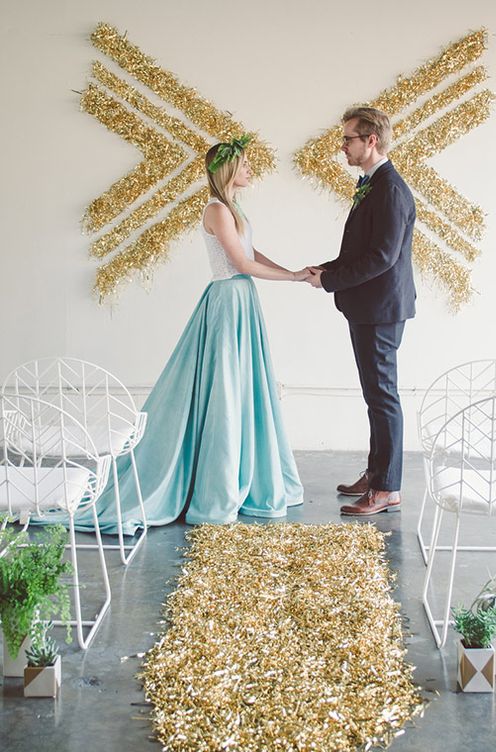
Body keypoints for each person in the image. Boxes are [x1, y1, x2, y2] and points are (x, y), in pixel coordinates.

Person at [77, 135, 306, 532]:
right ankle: (216, 484)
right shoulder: (217, 209)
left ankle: (238, 473)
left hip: (241, 301)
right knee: (224, 389)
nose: (252, 170)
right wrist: (291, 277)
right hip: (228, 301)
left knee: (240, 386)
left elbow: (251, 253)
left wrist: (296, 271)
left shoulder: (233, 208)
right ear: (229, 169)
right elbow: (240, 263)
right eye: (246, 164)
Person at [306, 107, 416, 516]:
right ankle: (377, 473)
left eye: (348, 139)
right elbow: (361, 251)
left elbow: (383, 258)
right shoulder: (373, 183)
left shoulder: (388, 189)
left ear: (371, 140)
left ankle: (387, 488)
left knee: (383, 396)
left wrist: (331, 281)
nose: (343, 146)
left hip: (381, 309)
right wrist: (326, 269)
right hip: (370, 306)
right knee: (375, 395)